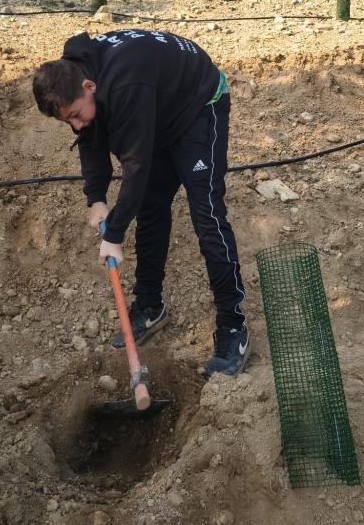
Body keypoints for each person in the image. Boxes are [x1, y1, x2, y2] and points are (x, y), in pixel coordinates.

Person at [32, 28, 249, 377]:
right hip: (157, 110)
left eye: (74, 114)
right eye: (66, 121)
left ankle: (233, 325)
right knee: (150, 207)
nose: (75, 126)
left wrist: (114, 233)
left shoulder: (124, 85)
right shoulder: (77, 73)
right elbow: (90, 135)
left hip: (197, 106)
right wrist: (97, 198)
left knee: (206, 213)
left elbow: (136, 166)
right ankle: (150, 306)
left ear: (89, 87)